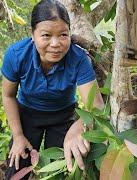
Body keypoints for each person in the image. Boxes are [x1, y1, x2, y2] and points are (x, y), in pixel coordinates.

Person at [1, 0, 104, 179]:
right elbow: (8, 95)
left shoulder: (78, 58)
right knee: (16, 167)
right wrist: (17, 135)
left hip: (63, 117)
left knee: (62, 169)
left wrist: (78, 127)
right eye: (46, 35)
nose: (55, 44)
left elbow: (97, 106)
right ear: (32, 35)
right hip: (27, 116)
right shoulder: (17, 55)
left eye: (63, 35)